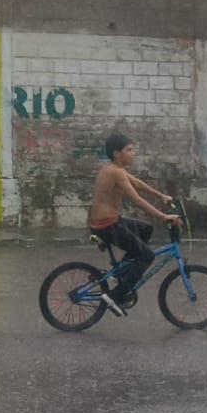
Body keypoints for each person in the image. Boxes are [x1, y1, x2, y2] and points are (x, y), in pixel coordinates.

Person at [88, 133, 180, 313]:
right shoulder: (115, 172)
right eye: (129, 150)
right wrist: (163, 216)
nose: (133, 153)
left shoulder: (116, 169)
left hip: (108, 221)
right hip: (106, 225)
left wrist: (161, 196)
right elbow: (136, 199)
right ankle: (114, 296)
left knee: (146, 229)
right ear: (116, 153)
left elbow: (137, 183)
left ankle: (122, 274)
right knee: (147, 256)